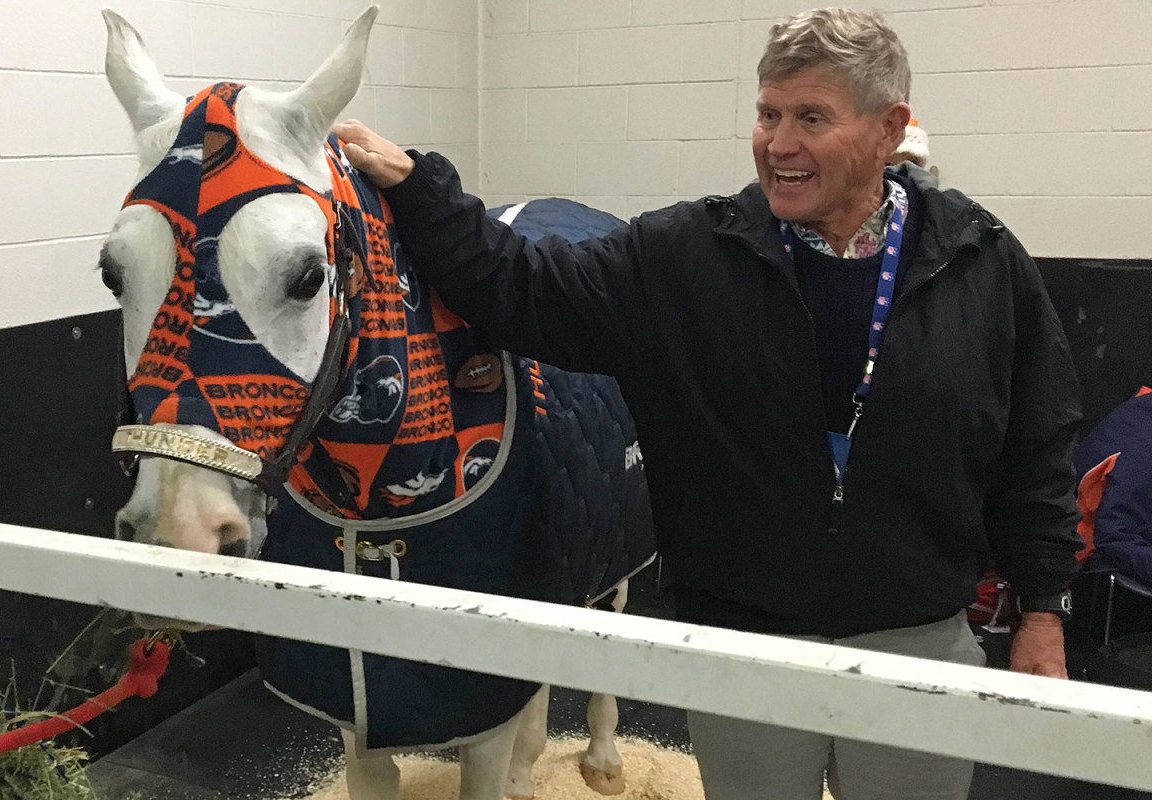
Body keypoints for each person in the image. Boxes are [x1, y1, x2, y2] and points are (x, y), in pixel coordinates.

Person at [332, 8, 1083, 799]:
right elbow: (525, 288)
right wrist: (421, 191)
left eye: (811, 118)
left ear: (889, 129)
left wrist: (1043, 608)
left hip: (917, 641)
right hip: (745, 644)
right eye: (768, 114)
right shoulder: (687, 257)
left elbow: (1037, 443)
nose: (778, 143)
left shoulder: (978, 262)